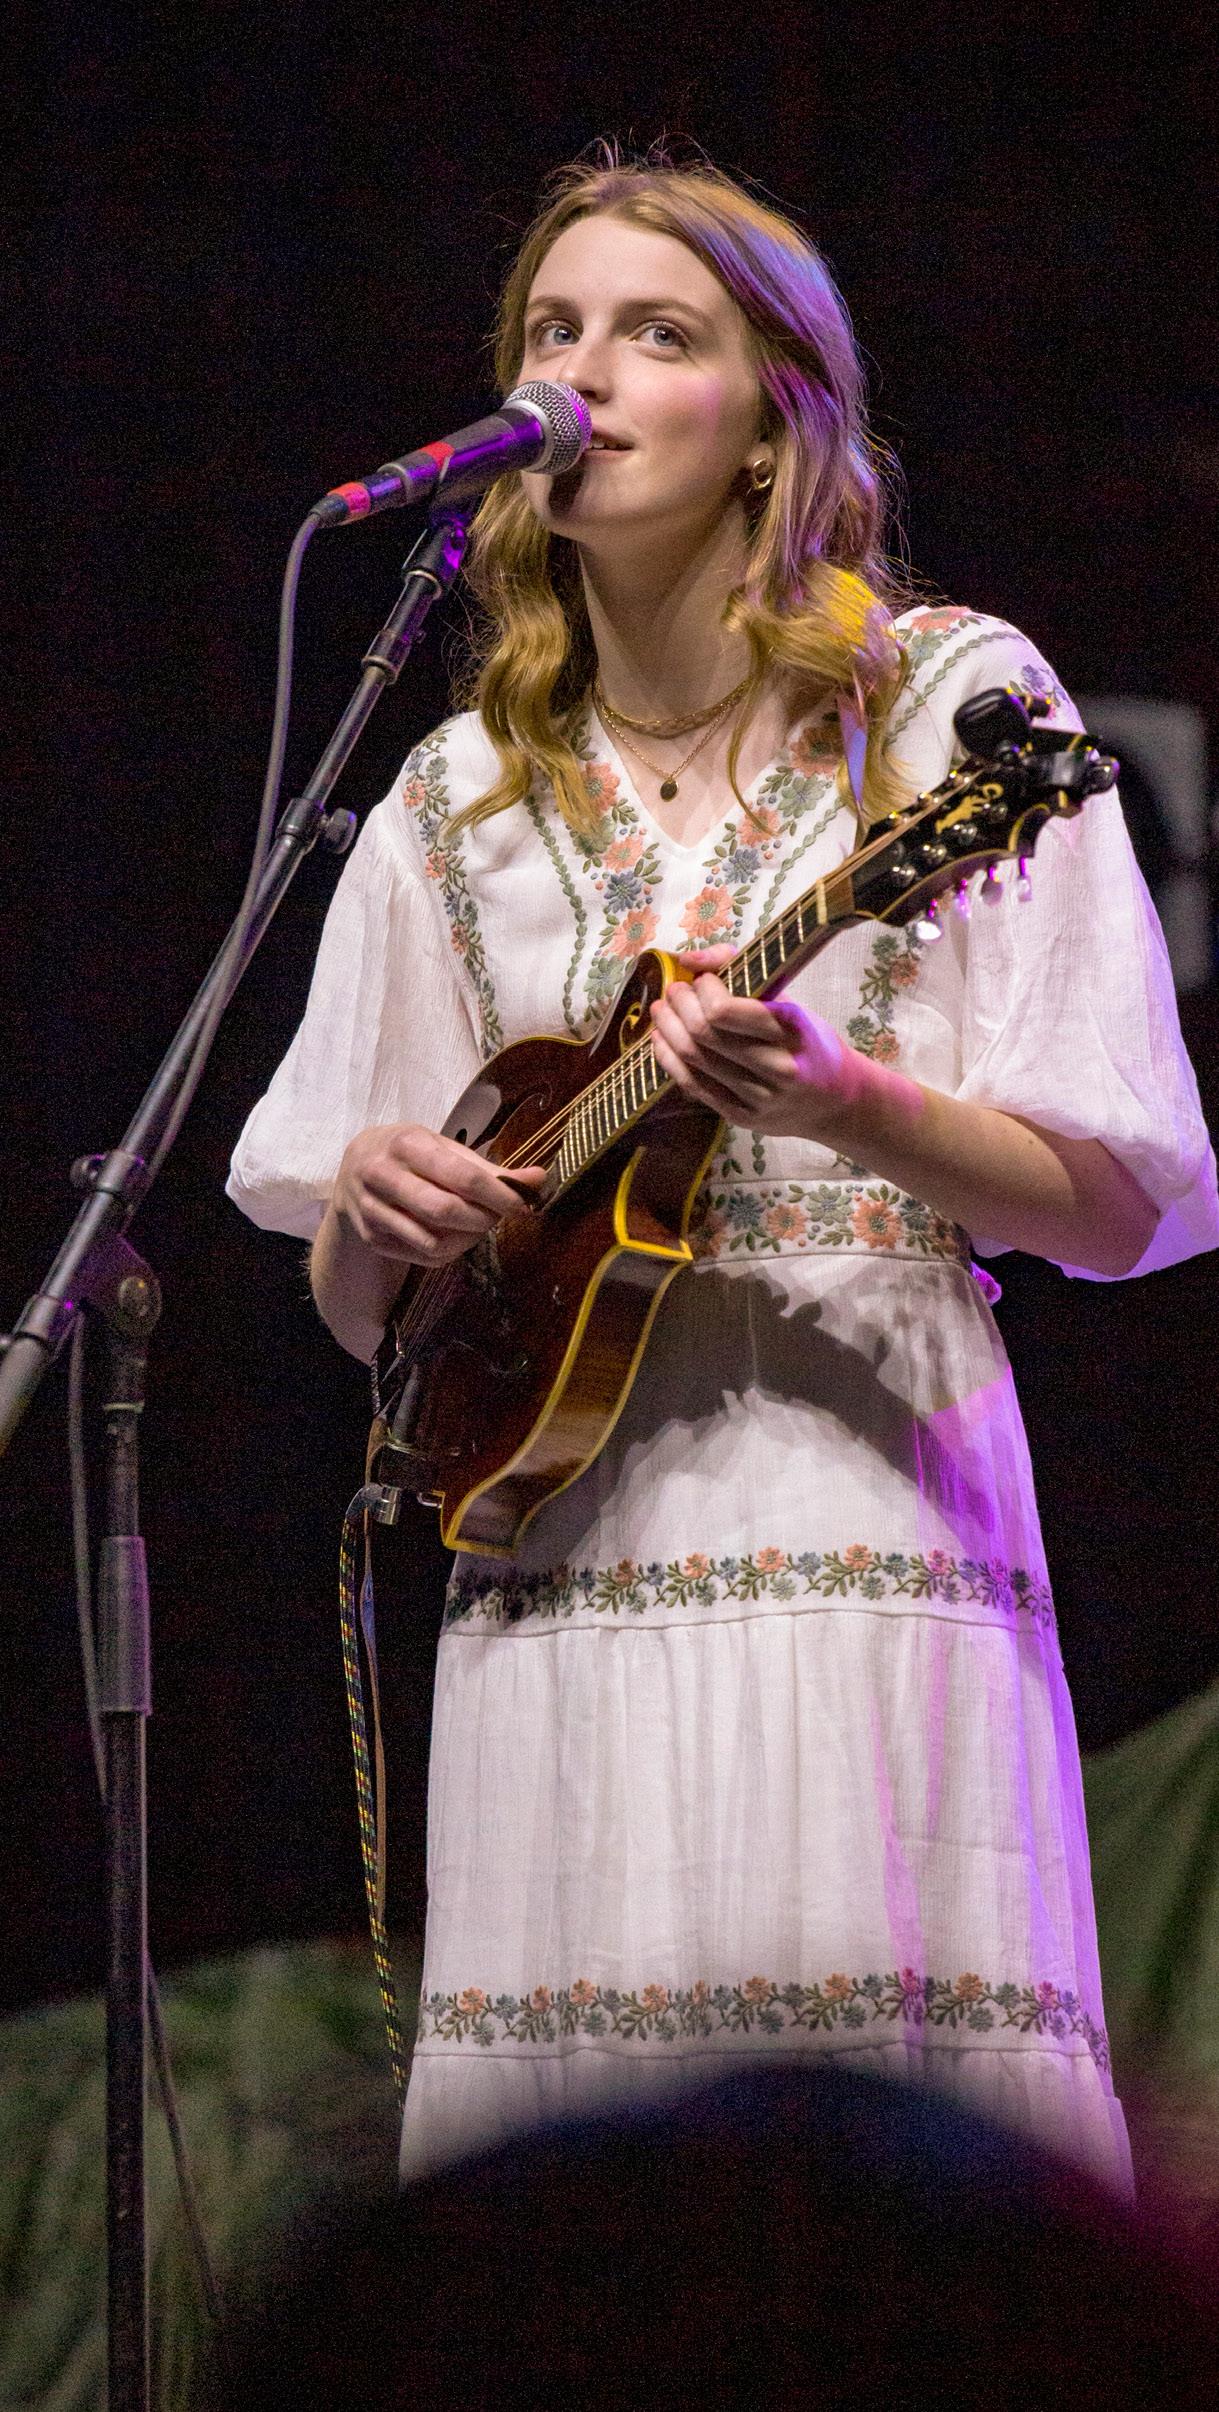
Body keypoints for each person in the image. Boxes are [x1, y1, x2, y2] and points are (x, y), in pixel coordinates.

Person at [228, 153, 1219, 2196]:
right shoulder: (452, 796)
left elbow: (1124, 1209)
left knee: (881, 2173)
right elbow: (366, 1320)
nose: (582, 374)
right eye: (552, 331)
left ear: (775, 418)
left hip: (863, 1531)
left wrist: (846, 1100)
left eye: (654, 333)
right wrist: (379, 1216)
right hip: (553, 1573)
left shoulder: (947, 706)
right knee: (571, 2200)